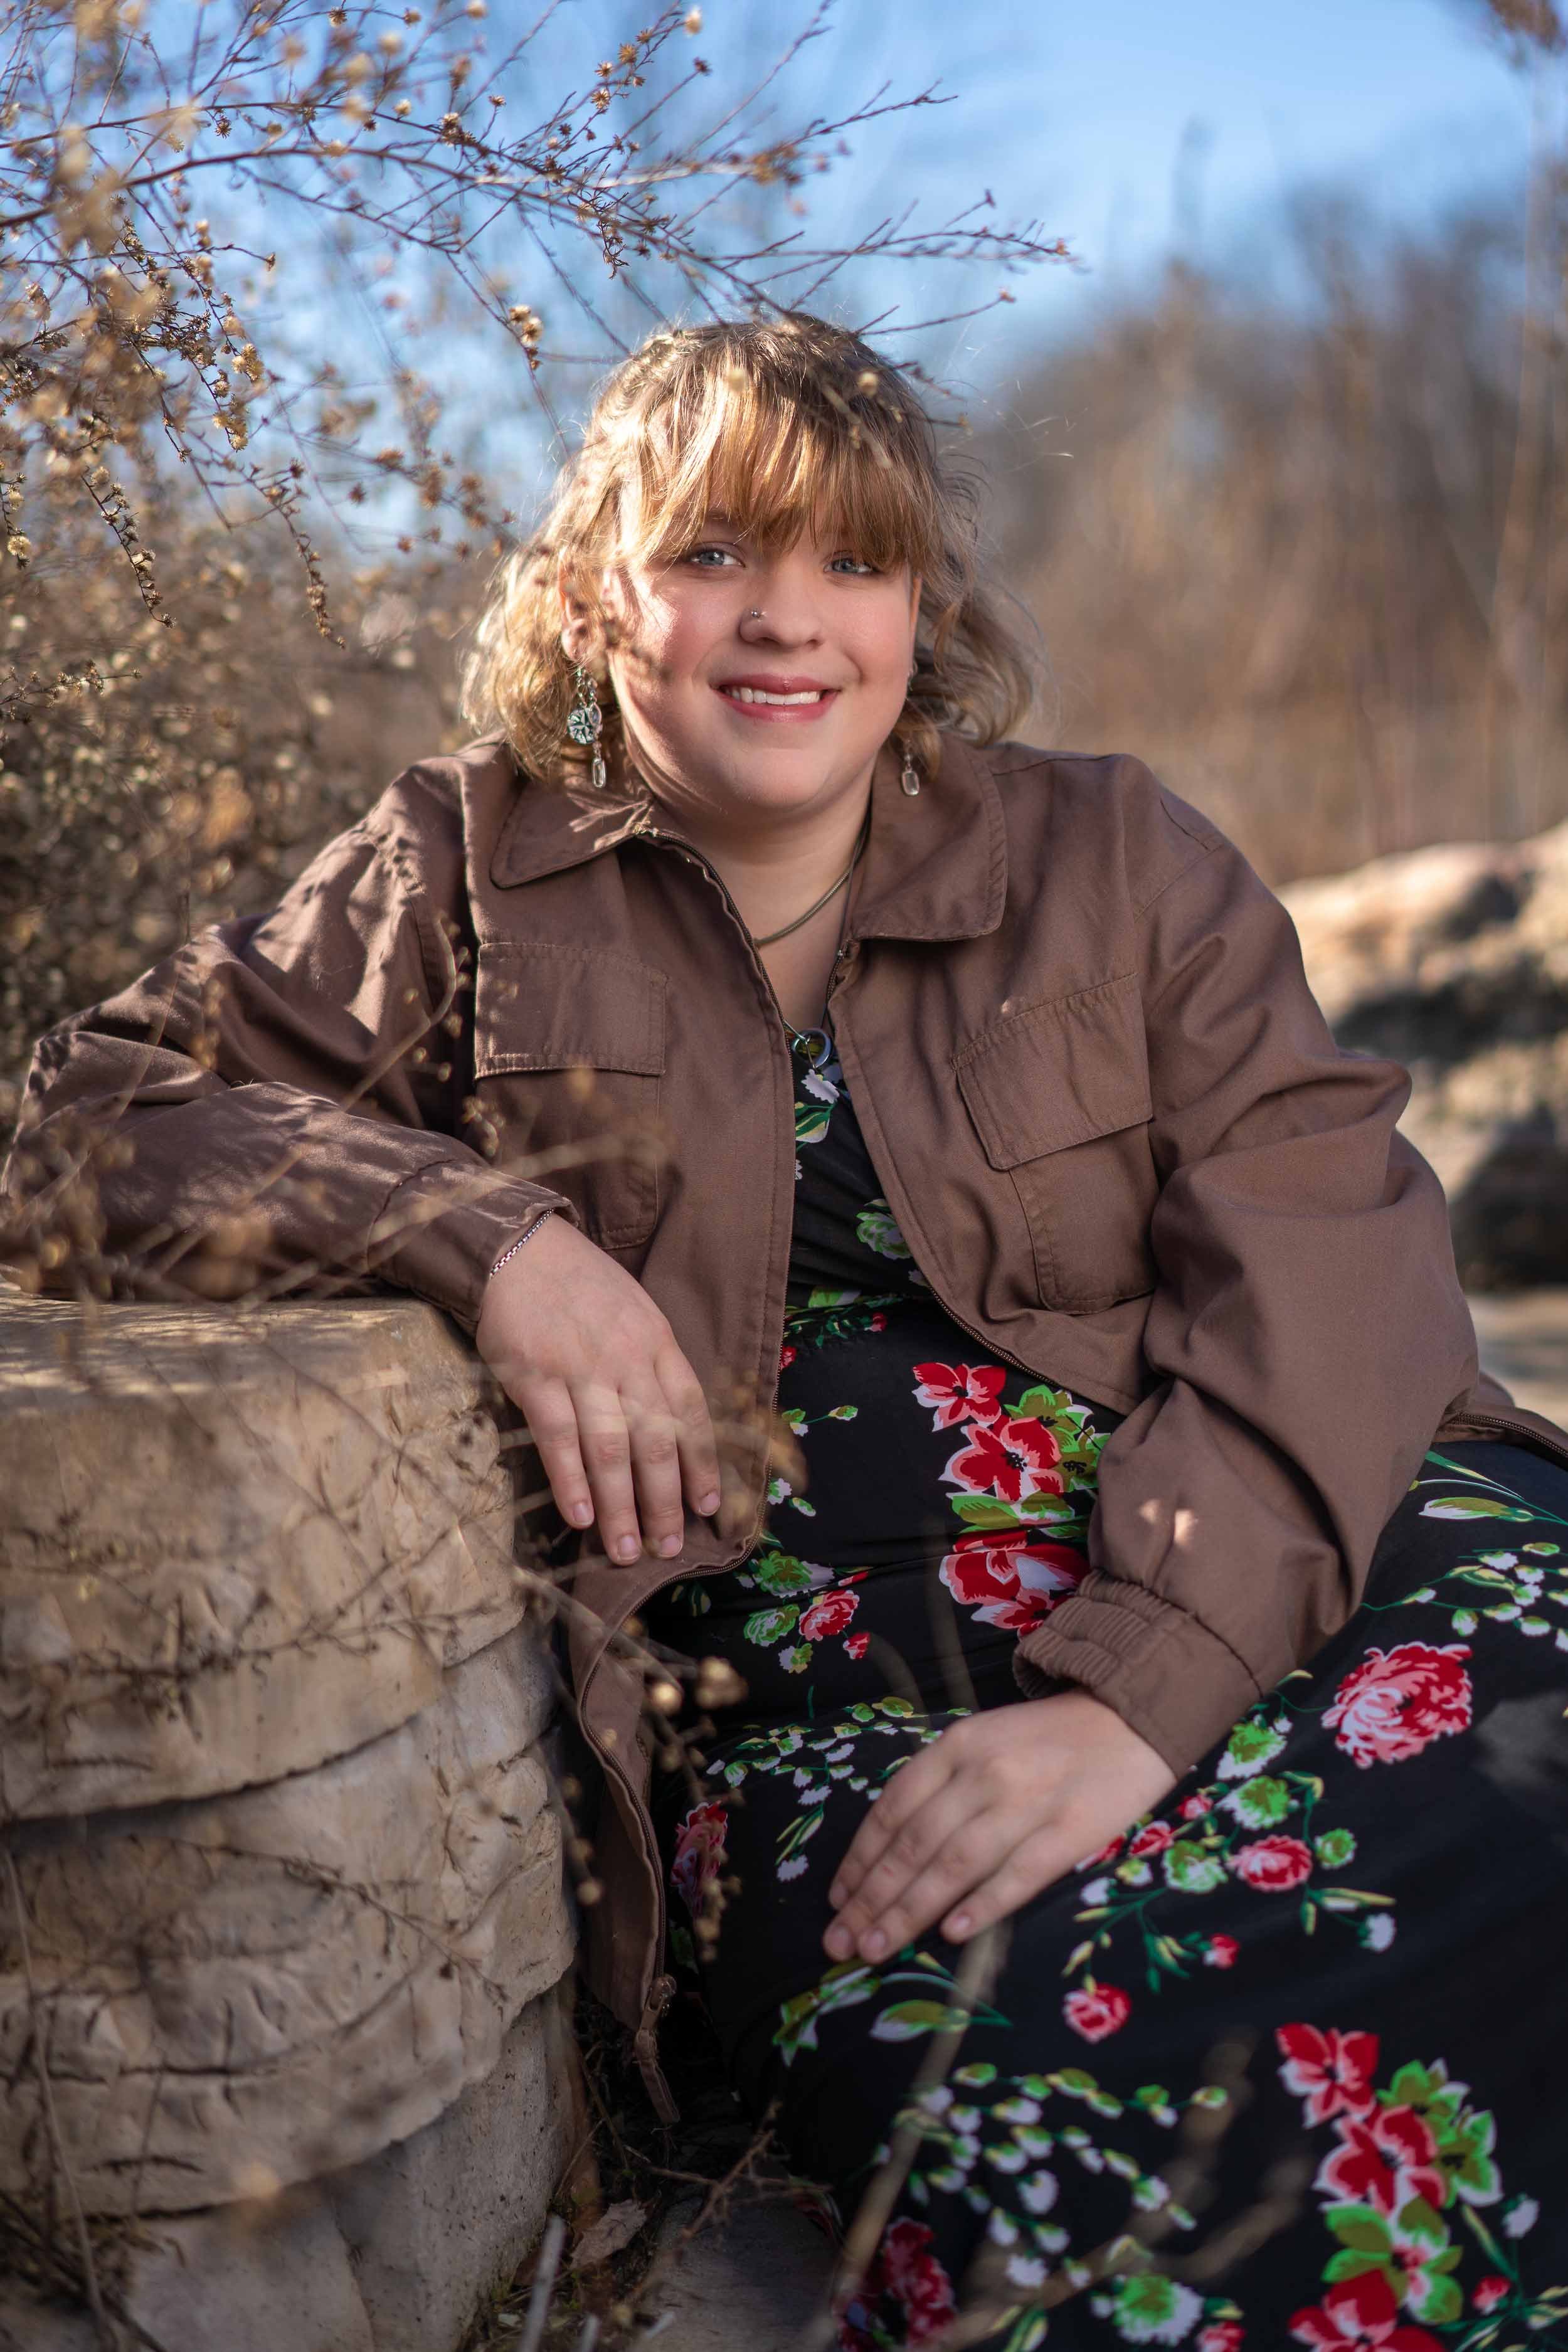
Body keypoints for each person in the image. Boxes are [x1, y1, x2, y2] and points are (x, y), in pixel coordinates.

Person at [6, 313, 1568, 2352]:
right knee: (1048, 2101)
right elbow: (97, 1112)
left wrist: (1137, 1696)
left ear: (924, 604)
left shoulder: (1113, 860)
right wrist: (490, 1238)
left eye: (854, 561)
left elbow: (1333, 1249)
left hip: (1259, 1545)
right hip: (834, 1668)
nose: (790, 621)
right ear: (590, 591)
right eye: (719, 550)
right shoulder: (462, 869)